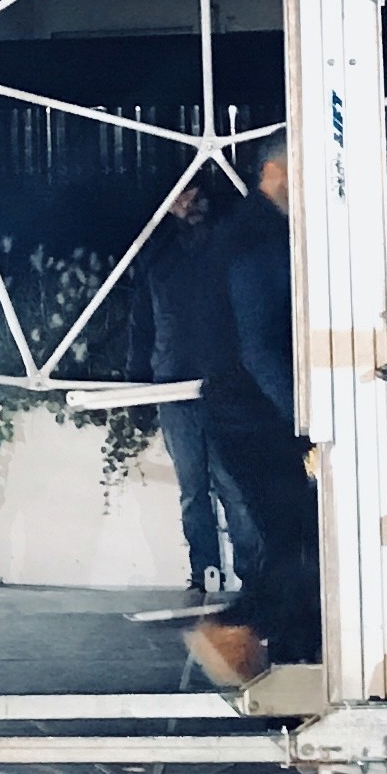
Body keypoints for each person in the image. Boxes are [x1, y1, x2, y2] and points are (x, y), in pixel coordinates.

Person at [129, 136, 320, 677]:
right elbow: (258, 343)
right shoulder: (255, 238)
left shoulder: (245, 234)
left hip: (241, 406)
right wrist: (302, 418)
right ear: (276, 172)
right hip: (253, 411)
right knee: (294, 537)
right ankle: (249, 637)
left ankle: (278, 648)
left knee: (290, 536)